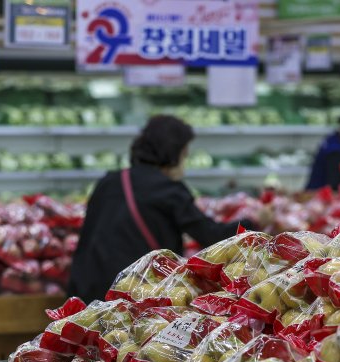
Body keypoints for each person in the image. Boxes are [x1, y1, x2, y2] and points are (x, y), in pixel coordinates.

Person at [68, 115, 257, 303]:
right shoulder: (168, 190)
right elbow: (211, 236)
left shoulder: (109, 181)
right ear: (173, 153)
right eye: (184, 155)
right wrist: (254, 222)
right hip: (136, 290)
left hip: (88, 290)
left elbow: (86, 238)